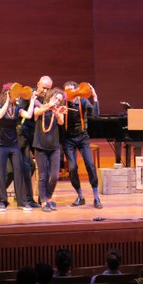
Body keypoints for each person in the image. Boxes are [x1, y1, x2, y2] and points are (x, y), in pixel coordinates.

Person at [5, 76, 53, 208]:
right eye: (44, 88)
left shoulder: (45, 97)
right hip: (22, 135)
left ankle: (29, 196)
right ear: (38, 84)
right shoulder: (28, 94)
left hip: (34, 136)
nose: (45, 91)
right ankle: (26, 198)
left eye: (48, 89)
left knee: (36, 166)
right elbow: (29, 109)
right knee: (26, 166)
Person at [0, 82, 35, 212]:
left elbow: (28, 115)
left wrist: (32, 101)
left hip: (13, 144)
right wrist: (7, 100)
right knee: (1, 174)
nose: (17, 98)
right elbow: (0, 115)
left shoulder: (17, 108)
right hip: (0, 145)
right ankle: (2, 201)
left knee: (19, 171)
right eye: (15, 95)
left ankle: (22, 202)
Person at [62, 81, 102, 209]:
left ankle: (96, 197)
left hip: (82, 137)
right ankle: (80, 196)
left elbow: (95, 115)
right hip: (68, 139)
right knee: (72, 168)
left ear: (76, 91)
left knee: (90, 165)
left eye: (70, 90)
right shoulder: (63, 103)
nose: (68, 93)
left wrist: (94, 97)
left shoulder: (83, 102)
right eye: (66, 91)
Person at [33, 88, 67, 212]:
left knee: (55, 176)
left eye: (59, 100)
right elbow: (36, 113)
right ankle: (43, 201)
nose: (57, 101)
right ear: (50, 97)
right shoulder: (40, 108)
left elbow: (61, 122)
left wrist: (57, 112)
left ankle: (48, 198)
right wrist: (48, 106)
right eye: (55, 98)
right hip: (40, 146)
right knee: (43, 175)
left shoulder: (58, 110)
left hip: (54, 147)